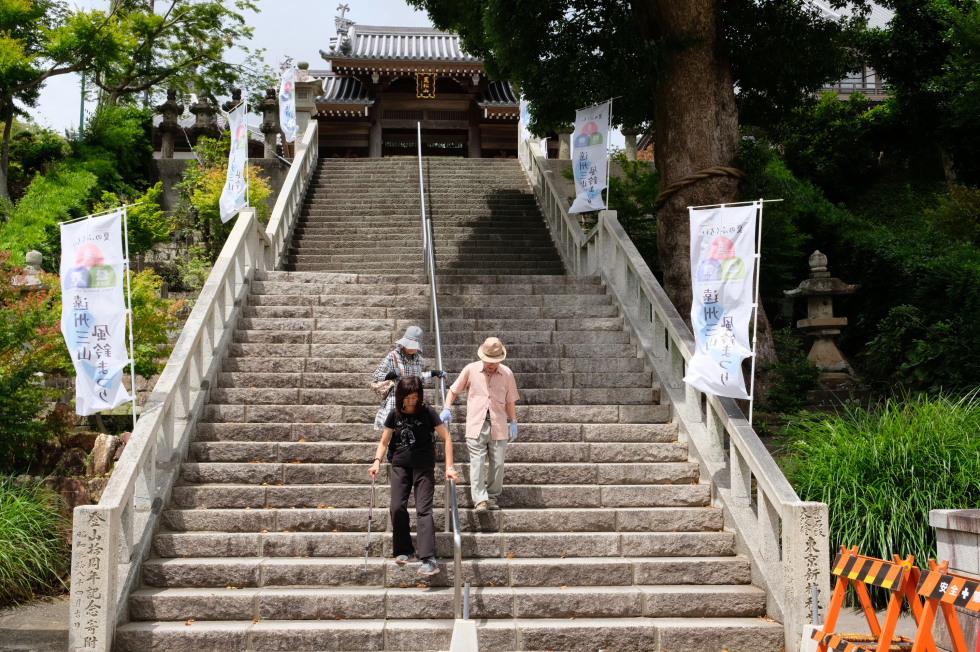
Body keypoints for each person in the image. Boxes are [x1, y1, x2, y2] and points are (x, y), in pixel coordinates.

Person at [369, 376, 458, 577]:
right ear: (401, 396)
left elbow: (446, 437)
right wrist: (376, 461)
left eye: (415, 397)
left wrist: (449, 467)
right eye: (408, 397)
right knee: (396, 507)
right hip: (400, 465)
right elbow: (384, 442)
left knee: (423, 510)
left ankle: (429, 559)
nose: (411, 401)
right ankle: (404, 549)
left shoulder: (427, 412)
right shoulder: (394, 414)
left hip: (423, 466)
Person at [440, 337, 520, 513]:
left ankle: (492, 496)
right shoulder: (471, 369)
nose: (491, 364)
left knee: (498, 463)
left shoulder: (507, 374)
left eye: (495, 361)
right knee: (477, 462)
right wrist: (446, 407)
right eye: (488, 360)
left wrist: (513, 421)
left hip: (498, 425)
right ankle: (480, 500)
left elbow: (510, 401)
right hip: (476, 424)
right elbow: (453, 390)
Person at [371, 325, 444, 430]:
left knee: (411, 433)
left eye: (414, 346)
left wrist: (433, 373)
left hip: (412, 403)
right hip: (395, 401)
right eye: (409, 345)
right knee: (392, 432)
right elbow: (376, 375)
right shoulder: (393, 356)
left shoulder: (419, 360)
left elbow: (418, 379)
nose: (411, 348)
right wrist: (389, 375)